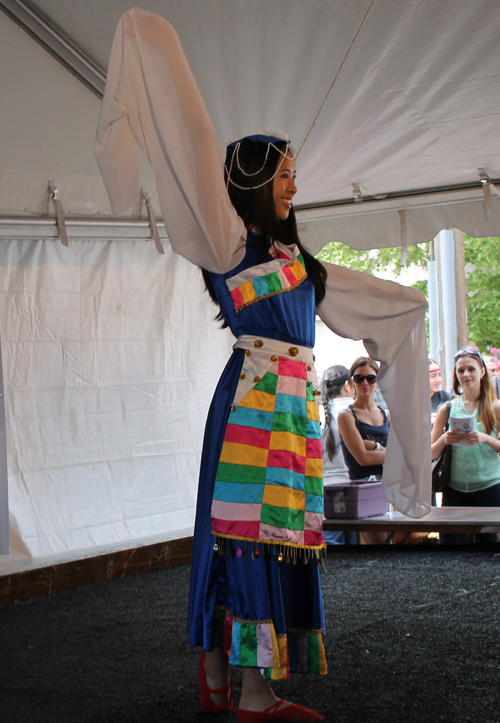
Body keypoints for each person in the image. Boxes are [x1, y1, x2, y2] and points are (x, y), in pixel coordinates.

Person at [94, 8, 432, 721]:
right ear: (251, 182)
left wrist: (408, 306)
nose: (293, 187)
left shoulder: (299, 262)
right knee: (246, 532)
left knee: (256, 532)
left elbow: (365, 300)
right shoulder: (230, 245)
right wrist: (158, 53)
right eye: (284, 175)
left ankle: (218, 672)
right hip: (252, 400)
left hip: (288, 405)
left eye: (295, 175)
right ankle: (252, 692)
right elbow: (190, 149)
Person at [431, 348, 500, 544]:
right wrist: (444, 439)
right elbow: (430, 453)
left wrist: (486, 438)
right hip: (455, 490)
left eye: (471, 369)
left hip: (490, 488)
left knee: (487, 551)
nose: (466, 374)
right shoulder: (448, 408)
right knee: (450, 548)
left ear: (482, 372)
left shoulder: (494, 407)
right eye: (461, 370)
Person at [337, 357, 390, 544]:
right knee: (379, 546)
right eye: (359, 378)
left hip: (389, 485)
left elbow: (403, 452)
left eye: (371, 378)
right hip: (363, 488)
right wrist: (383, 450)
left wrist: (374, 448)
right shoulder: (346, 415)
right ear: (352, 382)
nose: (365, 383)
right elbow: (362, 458)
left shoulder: (386, 414)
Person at [320, 365, 356, 545]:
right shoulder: (354, 410)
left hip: (323, 489)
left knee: (331, 544)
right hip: (352, 487)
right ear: (348, 385)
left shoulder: (319, 413)